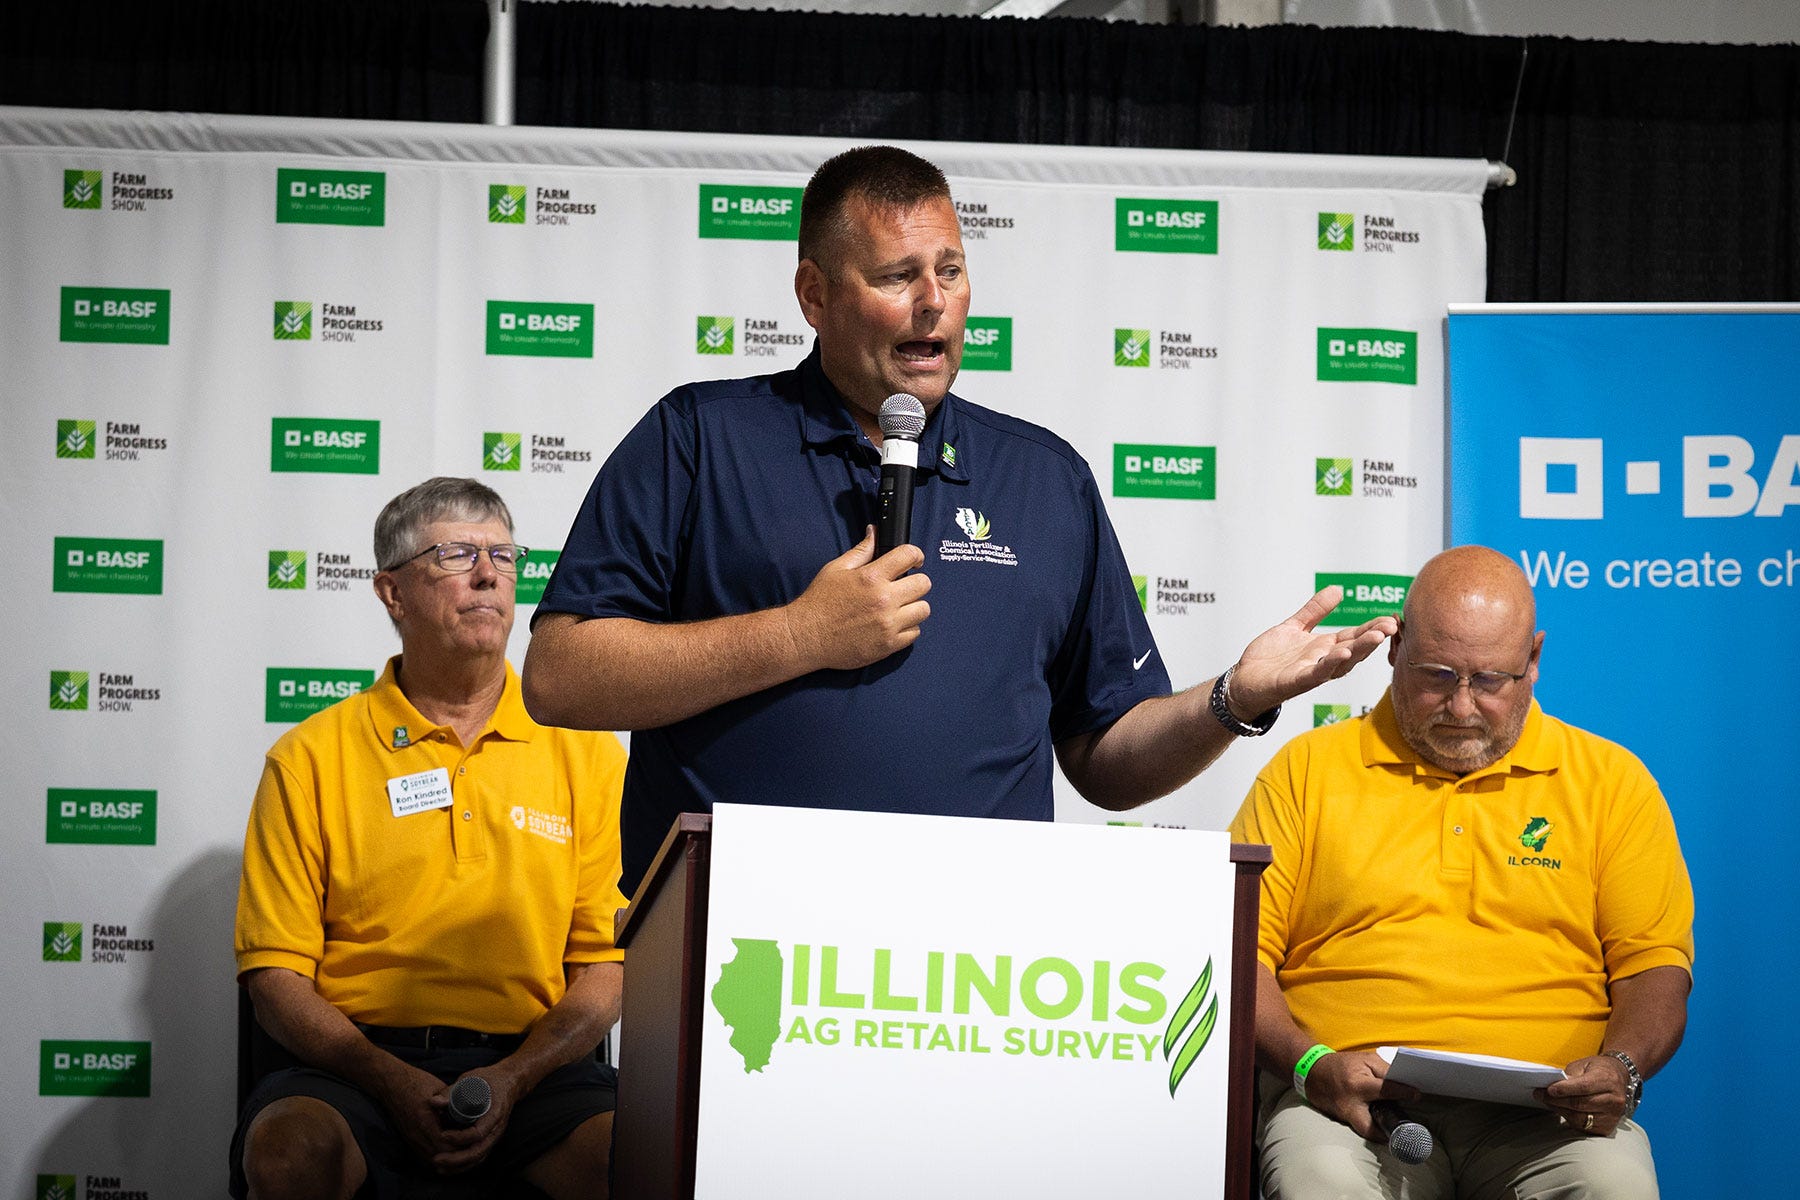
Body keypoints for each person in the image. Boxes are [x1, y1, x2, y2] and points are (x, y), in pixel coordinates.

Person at [521, 143, 1393, 897]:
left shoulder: (1046, 480)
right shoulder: (700, 438)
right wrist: (799, 635)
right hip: (737, 942)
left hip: (970, 975)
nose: (933, 300)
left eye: (950, 269)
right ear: (815, 295)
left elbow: (1106, 759)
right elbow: (561, 676)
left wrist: (1230, 701)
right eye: (898, 276)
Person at [1228, 545, 1694, 1199]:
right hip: (1350, 1109)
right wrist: (1310, 1065)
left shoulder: (1612, 783)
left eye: (1491, 680)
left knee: (1613, 1185)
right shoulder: (1305, 773)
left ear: (1533, 659)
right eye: (1438, 675)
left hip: (1547, 1117)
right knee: (1319, 1182)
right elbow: (1236, 953)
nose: (1463, 706)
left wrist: (1621, 1068)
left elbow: (1655, 968)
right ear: (1394, 649)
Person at [230, 477, 628, 1200]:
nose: (488, 574)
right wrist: (384, 1076)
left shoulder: (589, 753)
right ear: (392, 593)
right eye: (455, 555)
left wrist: (514, 1077)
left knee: (633, 1156)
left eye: (504, 557)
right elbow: (276, 980)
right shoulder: (310, 758)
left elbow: (605, 968)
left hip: (532, 1066)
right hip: (354, 1062)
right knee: (289, 1155)